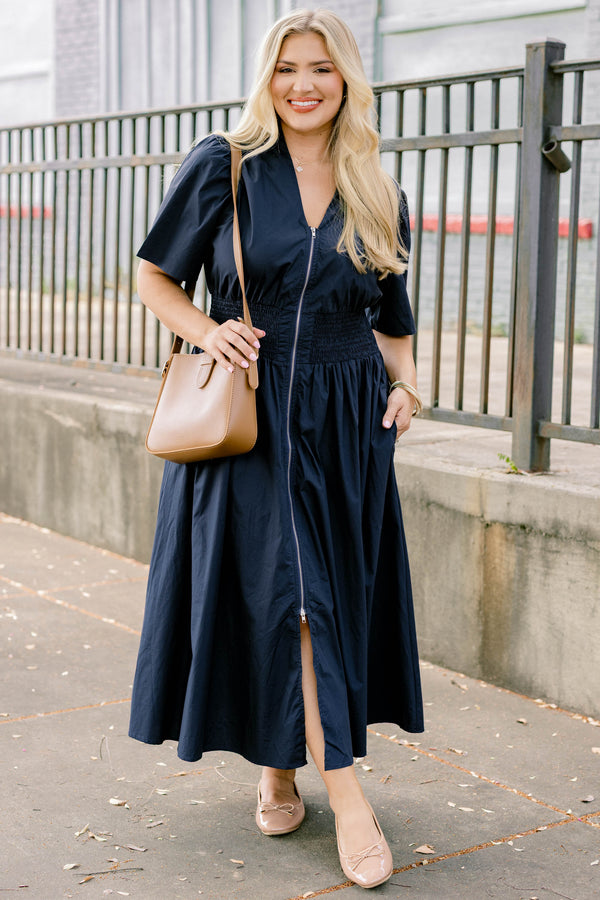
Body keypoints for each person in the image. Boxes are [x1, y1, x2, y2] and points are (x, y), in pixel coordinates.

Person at [129, 8, 424, 889]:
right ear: (270, 77)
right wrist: (204, 328)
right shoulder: (223, 163)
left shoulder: (376, 184)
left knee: (316, 595)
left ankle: (280, 763)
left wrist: (407, 386)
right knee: (292, 599)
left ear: (346, 80)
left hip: (347, 420)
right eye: (289, 68)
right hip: (251, 414)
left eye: (322, 70)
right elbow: (154, 274)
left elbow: (394, 319)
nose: (304, 85)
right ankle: (350, 797)